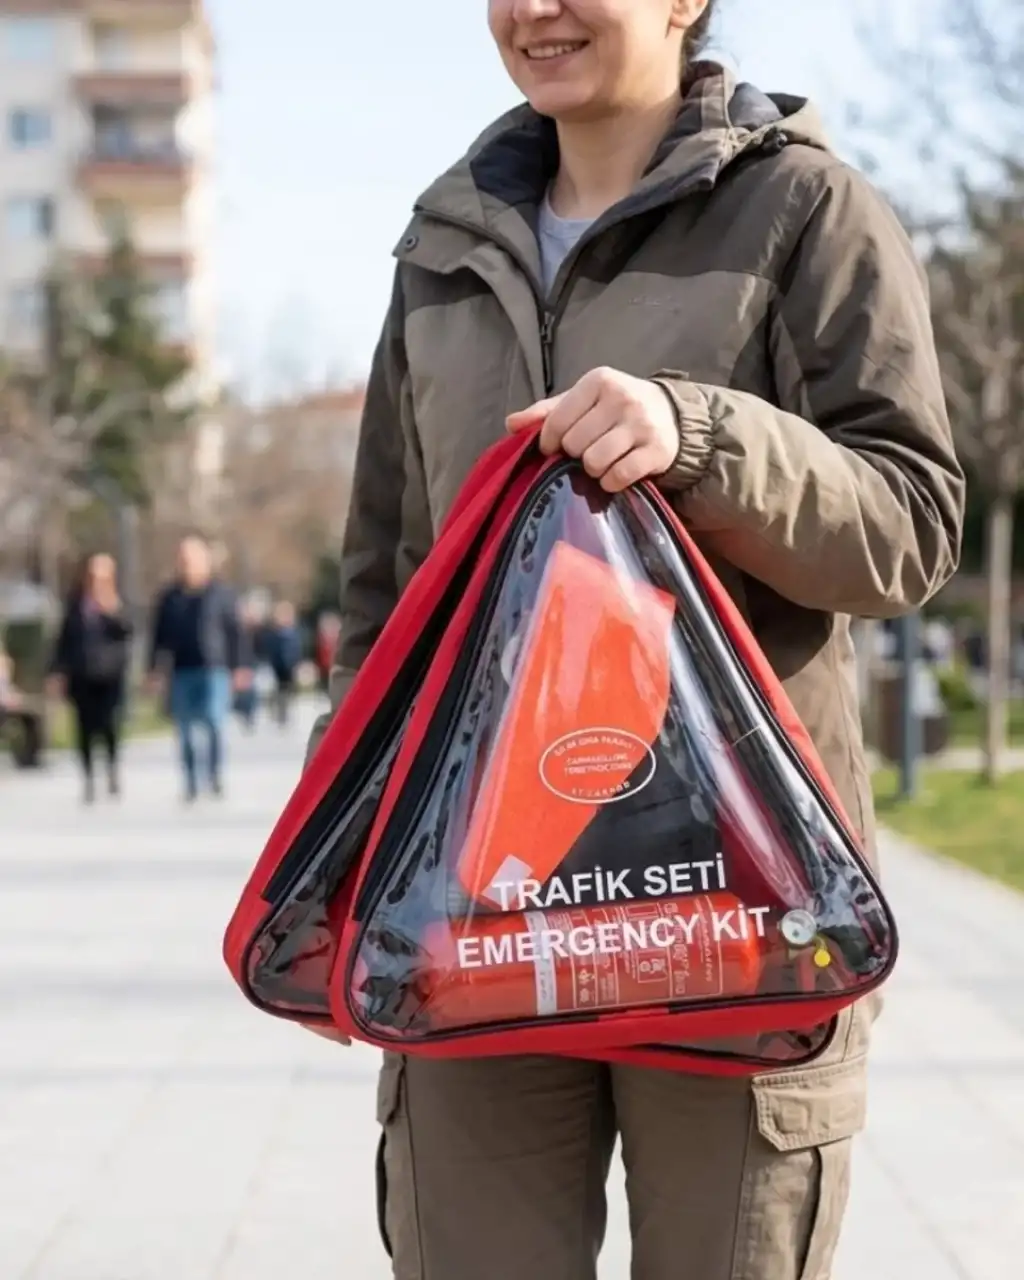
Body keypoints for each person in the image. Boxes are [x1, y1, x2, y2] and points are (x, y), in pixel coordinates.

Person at [304, 3, 966, 1276]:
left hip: (736, 900)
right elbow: (387, 593)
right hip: (476, 901)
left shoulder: (806, 211)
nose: (536, 9)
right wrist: (347, 866)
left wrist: (701, 437)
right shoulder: (442, 247)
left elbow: (909, 525)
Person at [148, 535, 249, 802]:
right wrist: (154, 669)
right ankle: (191, 781)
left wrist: (240, 666)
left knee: (215, 721)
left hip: (214, 668)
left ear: (205, 562)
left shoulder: (222, 594)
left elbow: (236, 632)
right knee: (185, 729)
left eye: (192, 559)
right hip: (182, 669)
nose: (187, 565)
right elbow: (158, 636)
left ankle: (214, 775)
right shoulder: (169, 597)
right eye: (183, 559)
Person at [47, 552, 132, 803]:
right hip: (81, 674)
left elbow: (127, 632)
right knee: (84, 728)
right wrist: (56, 671)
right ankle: (88, 779)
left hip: (109, 676)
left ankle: (112, 770)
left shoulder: (117, 602)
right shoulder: (76, 604)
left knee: (108, 725)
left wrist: (111, 611)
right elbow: (63, 640)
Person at [263, 600, 303, 727]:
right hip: (277, 668)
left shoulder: (293, 634)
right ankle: (278, 714)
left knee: (287, 691)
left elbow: (297, 651)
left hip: (289, 667)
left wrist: (296, 663)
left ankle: (284, 715)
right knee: (278, 691)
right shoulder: (273, 634)